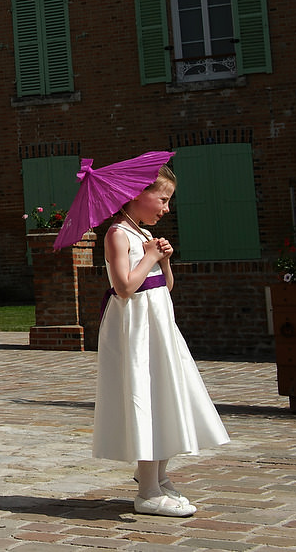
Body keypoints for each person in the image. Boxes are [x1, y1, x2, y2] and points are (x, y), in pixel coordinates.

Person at [93, 164, 228, 517]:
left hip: (160, 326)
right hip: (136, 329)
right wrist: (151, 255)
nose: (166, 208)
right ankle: (148, 492)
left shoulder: (142, 235)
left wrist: (164, 261)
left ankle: (155, 474)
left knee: (169, 392)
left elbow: (164, 286)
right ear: (138, 194)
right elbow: (123, 288)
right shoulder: (118, 234)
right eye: (163, 199)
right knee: (146, 395)